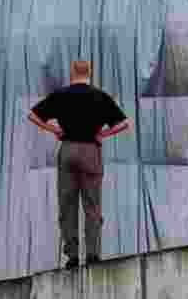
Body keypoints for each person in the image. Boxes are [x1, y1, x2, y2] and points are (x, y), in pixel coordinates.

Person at [27, 61, 131, 269]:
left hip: (67, 150)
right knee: (92, 205)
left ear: (72, 73)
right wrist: (103, 133)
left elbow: (32, 115)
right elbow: (124, 123)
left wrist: (54, 130)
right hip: (91, 151)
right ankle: (92, 254)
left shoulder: (61, 94)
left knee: (67, 204)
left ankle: (72, 256)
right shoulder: (100, 96)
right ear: (89, 73)